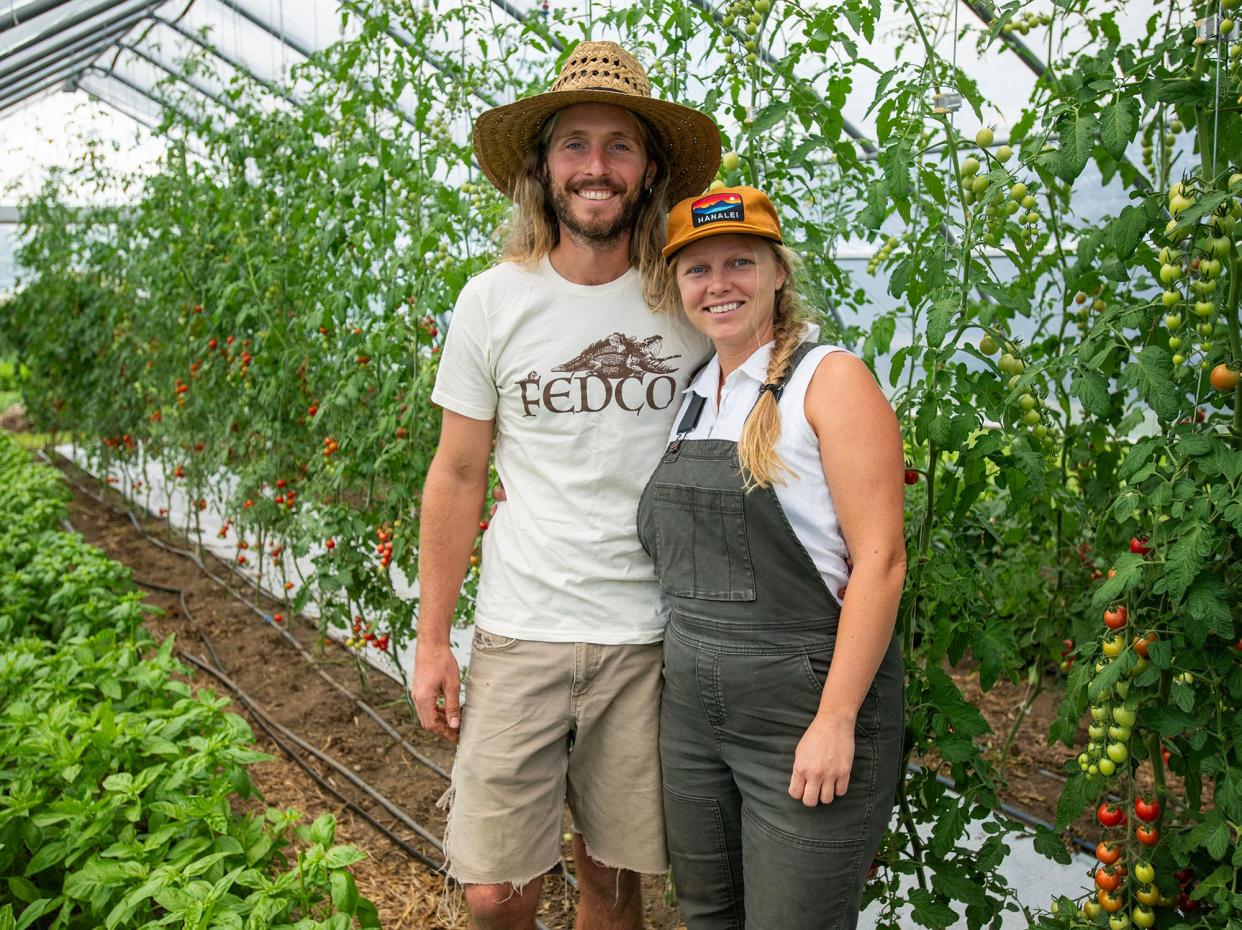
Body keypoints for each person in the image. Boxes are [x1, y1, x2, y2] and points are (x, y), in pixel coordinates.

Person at [412, 41, 720, 930]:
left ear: (650, 168)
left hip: (650, 636)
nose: (596, 166)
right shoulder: (493, 302)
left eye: (619, 146)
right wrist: (433, 641)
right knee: (492, 889)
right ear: (543, 170)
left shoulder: (690, 300)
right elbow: (458, 471)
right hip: (523, 627)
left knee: (613, 884)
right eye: (575, 145)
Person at [637, 185, 906, 930]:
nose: (718, 284)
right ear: (677, 286)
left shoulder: (831, 380)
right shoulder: (694, 396)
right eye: (698, 270)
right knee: (708, 915)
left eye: (740, 263)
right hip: (692, 715)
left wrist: (837, 719)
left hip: (802, 708)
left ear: (778, 272)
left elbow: (880, 562)